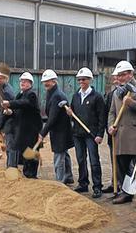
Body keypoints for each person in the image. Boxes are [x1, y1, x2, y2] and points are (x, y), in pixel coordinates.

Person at [108, 60, 136, 209]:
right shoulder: (116, 92)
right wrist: (110, 126)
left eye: (123, 75)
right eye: (118, 76)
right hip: (120, 134)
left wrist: (132, 103)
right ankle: (127, 193)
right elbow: (112, 112)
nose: (120, 78)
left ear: (131, 74)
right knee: (123, 166)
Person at [66, 67, 106, 198]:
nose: (81, 81)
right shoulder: (76, 96)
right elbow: (73, 115)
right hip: (77, 133)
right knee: (80, 159)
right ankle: (83, 183)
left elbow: (102, 117)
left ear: (90, 80)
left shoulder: (97, 97)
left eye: (84, 79)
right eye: (79, 79)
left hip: (91, 134)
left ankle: (97, 186)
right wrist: (70, 114)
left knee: (94, 161)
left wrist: (100, 134)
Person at [2, 72, 43, 178]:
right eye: (21, 81)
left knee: (31, 154)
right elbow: (18, 110)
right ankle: (27, 174)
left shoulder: (31, 94)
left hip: (32, 130)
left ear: (30, 83)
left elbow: (25, 103)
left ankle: (32, 175)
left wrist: (10, 103)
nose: (22, 83)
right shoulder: (20, 94)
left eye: (25, 82)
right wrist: (10, 112)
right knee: (25, 154)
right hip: (23, 130)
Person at [37, 69, 75, 184]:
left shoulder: (57, 95)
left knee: (59, 157)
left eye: (47, 81)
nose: (45, 84)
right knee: (64, 154)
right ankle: (68, 176)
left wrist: (42, 133)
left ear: (54, 81)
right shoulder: (51, 92)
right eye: (44, 81)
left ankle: (60, 182)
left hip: (61, 131)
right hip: (60, 130)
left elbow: (52, 118)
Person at [0, 63, 16, 168]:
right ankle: (10, 166)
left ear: (5, 78)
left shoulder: (7, 92)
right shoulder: (3, 89)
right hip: (8, 121)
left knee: (11, 147)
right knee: (9, 146)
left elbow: (4, 111)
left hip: (11, 122)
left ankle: (11, 167)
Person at [103, 74, 120, 194]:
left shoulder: (130, 93)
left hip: (124, 135)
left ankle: (125, 187)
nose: (116, 80)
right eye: (114, 78)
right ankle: (115, 183)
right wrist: (109, 128)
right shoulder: (110, 95)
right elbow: (108, 113)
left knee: (125, 163)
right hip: (112, 134)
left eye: (118, 77)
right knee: (114, 160)